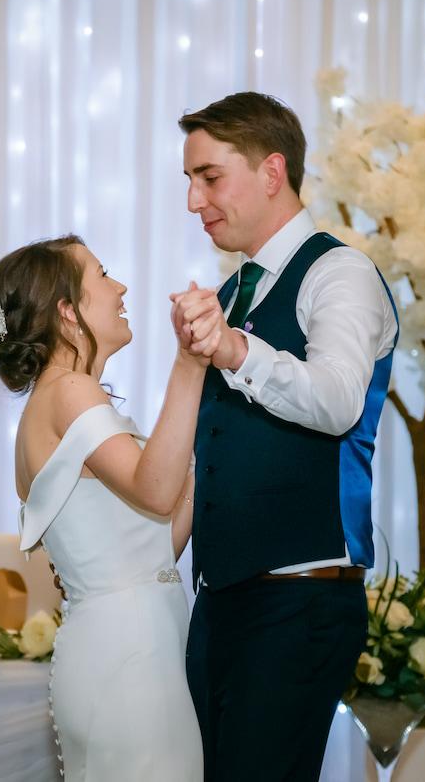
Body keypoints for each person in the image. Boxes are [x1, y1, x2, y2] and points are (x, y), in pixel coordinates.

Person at [171, 92, 400, 781]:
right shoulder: (237, 290)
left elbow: (336, 402)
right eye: (189, 180)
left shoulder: (340, 273)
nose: (192, 200)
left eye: (208, 177)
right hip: (222, 601)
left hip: (298, 601)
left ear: (272, 172)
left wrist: (237, 352)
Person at [0, 235, 209, 781]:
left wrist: (207, 452)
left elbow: (156, 546)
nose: (121, 287)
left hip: (122, 641)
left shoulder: (51, 401)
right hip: (130, 656)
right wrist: (190, 363)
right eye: (103, 276)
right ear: (66, 311)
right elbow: (154, 489)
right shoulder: (71, 393)